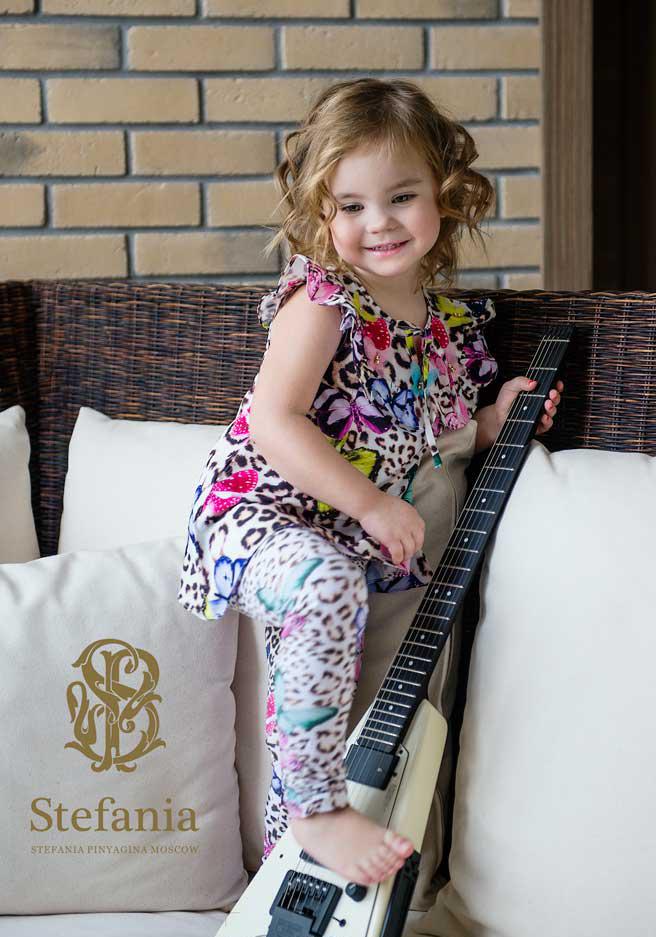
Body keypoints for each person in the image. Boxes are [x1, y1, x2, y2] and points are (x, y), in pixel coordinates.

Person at [177, 77, 563, 888]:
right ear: (320, 213)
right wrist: (371, 504)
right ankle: (318, 815)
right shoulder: (322, 303)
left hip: (346, 545)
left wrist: (495, 421)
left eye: (401, 196)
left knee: (326, 678)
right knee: (324, 586)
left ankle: (285, 888)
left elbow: (433, 434)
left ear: (445, 195)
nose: (378, 221)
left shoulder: (448, 331)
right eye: (351, 205)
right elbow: (275, 421)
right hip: (261, 513)